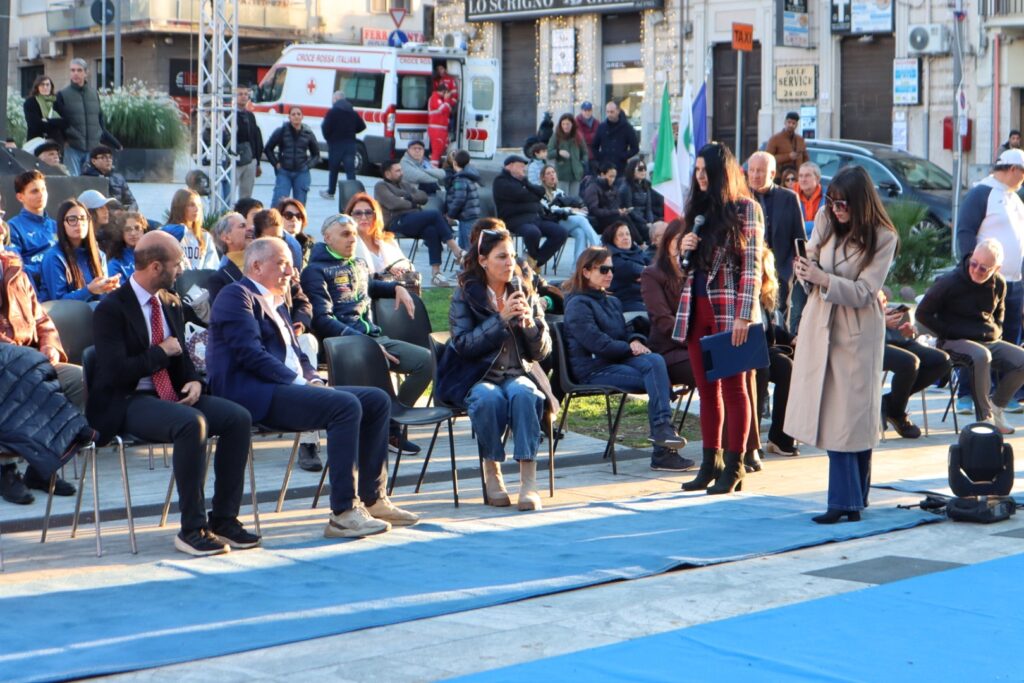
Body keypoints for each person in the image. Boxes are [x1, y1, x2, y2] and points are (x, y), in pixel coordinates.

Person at [208, 237, 418, 537]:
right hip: (254, 394)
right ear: (255, 265)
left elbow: (297, 355)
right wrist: (303, 384)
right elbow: (250, 355)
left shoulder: (278, 302)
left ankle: (373, 499)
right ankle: (343, 513)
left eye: (291, 264)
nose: (291, 271)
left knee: (376, 400)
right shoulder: (236, 295)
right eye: (281, 263)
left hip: (288, 388)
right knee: (344, 406)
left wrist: (314, 380)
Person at [89, 231, 258, 555]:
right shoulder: (111, 309)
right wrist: (159, 352)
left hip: (171, 395)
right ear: (155, 266)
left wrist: (194, 380)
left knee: (237, 418)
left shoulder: (170, 301)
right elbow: (113, 372)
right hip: (127, 400)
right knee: (191, 423)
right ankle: (192, 529)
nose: (182, 270)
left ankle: (223, 519)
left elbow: (180, 356)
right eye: (177, 264)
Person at [787, 165, 899, 523]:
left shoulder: (883, 237)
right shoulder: (825, 218)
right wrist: (806, 272)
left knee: (850, 420)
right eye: (832, 202)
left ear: (861, 203)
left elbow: (867, 291)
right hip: (821, 324)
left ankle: (844, 501)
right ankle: (853, 501)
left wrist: (822, 278)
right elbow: (813, 256)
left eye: (843, 204)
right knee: (840, 419)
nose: (836, 209)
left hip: (857, 331)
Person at [436, 226, 554, 510]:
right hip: (477, 377)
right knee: (488, 398)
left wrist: (530, 327)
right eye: (501, 256)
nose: (509, 262)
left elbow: (542, 351)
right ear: (483, 260)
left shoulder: (524, 289)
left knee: (525, 393)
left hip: (516, 373)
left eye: (512, 256)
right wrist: (500, 319)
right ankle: (493, 472)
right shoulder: (465, 295)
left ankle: (529, 481)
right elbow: (463, 345)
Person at [675, 142, 763, 496]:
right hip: (695, 310)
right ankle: (710, 464)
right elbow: (687, 268)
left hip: (729, 312)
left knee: (734, 389)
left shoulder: (746, 208)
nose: (699, 177)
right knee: (706, 393)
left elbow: (751, 267)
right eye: (695, 171)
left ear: (720, 172)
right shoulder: (698, 210)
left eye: (704, 171)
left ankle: (736, 463)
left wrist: (745, 315)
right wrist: (684, 250)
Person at [301, 213, 431, 454]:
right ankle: (379, 429)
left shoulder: (359, 264)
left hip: (372, 337)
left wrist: (396, 288)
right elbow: (322, 319)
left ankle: (391, 425)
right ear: (327, 238)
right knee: (376, 368)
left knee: (426, 361)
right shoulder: (315, 271)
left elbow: (369, 286)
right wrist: (364, 344)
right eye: (345, 234)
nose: (352, 239)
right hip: (343, 344)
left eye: (354, 234)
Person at [564, 246, 687, 456]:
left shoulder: (612, 301)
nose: (610, 274)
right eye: (603, 269)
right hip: (593, 369)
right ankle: (662, 448)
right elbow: (597, 344)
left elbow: (625, 332)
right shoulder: (577, 304)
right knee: (657, 379)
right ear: (585, 272)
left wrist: (636, 340)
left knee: (655, 360)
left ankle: (662, 432)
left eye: (611, 269)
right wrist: (630, 347)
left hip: (616, 360)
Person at [0, 215, 81, 504]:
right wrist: (23, 357)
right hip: (9, 361)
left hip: (30, 360)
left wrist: (49, 346)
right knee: (16, 380)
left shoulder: (15, 270)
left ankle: (42, 465)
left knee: (81, 381)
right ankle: (5, 469)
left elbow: (40, 319)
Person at [916, 240, 1024, 435]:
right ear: (971, 255)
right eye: (974, 263)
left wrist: (996, 330)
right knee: (981, 355)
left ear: (996, 268)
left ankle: (997, 407)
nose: (976, 270)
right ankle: (985, 417)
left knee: (1021, 360)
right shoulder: (950, 282)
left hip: (987, 340)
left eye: (984, 268)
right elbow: (922, 314)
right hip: (953, 341)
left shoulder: (998, 283)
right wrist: (948, 331)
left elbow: (1000, 312)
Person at [954, 148, 1024, 415]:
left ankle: (1003, 395)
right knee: (978, 337)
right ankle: (966, 393)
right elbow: (965, 233)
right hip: (985, 281)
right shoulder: (982, 193)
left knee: (1008, 341)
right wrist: (971, 272)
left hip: (1014, 282)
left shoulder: (1015, 200)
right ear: (1013, 169)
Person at [637, 219, 698, 471]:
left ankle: (739, 446)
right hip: (667, 352)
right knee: (710, 369)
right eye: (678, 240)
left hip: (693, 348)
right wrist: (694, 341)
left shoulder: (695, 273)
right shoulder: (652, 274)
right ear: (668, 243)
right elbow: (663, 320)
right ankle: (662, 453)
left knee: (735, 368)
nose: (683, 246)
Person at [374, 160, 462, 286]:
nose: (401, 173)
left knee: (431, 230)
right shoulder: (381, 186)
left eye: (401, 170)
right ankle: (456, 250)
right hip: (396, 221)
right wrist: (412, 201)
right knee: (435, 214)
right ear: (387, 174)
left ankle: (436, 274)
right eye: (398, 171)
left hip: (413, 218)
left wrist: (407, 197)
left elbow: (423, 197)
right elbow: (394, 203)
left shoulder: (404, 185)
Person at [879, 291, 951, 439]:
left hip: (898, 342)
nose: (886, 305)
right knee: (909, 362)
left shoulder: (876, 283)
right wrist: (880, 320)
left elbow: (903, 335)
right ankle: (897, 412)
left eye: (886, 301)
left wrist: (907, 332)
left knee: (942, 360)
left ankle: (890, 403)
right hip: (871, 344)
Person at [747, 151, 805, 329]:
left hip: (781, 276)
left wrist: (793, 271)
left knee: (779, 326)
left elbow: (799, 239)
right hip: (749, 275)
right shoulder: (741, 198)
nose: (755, 175)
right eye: (752, 170)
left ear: (772, 174)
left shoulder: (788, 198)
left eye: (760, 171)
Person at [753, 249, 798, 458]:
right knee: (761, 370)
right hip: (743, 348)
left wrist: (790, 338)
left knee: (789, 367)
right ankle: (749, 441)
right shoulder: (743, 291)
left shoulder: (764, 295)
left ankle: (780, 437)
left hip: (765, 347)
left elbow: (769, 328)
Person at [493, 154, 568, 270]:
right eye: (520, 166)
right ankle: (532, 262)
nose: (524, 169)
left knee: (560, 232)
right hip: (515, 220)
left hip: (535, 218)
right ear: (510, 166)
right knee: (533, 232)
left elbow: (540, 191)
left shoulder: (522, 181)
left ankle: (535, 262)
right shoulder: (501, 181)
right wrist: (532, 195)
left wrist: (526, 184)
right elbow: (522, 195)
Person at [40, 199, 119, 302]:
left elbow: (101, 300)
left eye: (83, 218)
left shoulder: (99, 255)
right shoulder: (54, 257)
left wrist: (108, 288)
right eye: (72, 219)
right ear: (62, 224)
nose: (79, 223)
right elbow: (59, 302)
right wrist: (89, 290)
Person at [54, 59, 121, 176]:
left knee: (90, 182)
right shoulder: (62, 95)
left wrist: (112, 142)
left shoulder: (94, 94)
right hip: (72, 147)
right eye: (72, 70)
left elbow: (99, 122)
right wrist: (64, 141)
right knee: (73, 183)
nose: (75, 73)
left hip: (92, 148)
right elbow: (58, 122)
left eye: (79, 70)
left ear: (86, 73)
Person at [539, 165, 599, 265]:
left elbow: (568, 204)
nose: (552, 175)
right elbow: (550, 209)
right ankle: (597, 245)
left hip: (564, 220)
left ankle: (576, 268)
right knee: (581, 220)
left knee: (580, 233)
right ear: (543, 178)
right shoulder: (540, 192)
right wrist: (571, 209)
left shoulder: (560, 192)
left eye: (553, 172)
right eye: (548, 173)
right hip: (552, 222)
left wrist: (579, 208)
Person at [345, 193, 415, 278]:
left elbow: (406, 264)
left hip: (398, 288)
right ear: (350, 216)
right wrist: (388, 270)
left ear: (375, 216)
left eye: (368, 212)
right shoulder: (348, 245)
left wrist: (399, 267)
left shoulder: (388, 241)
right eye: (358, 213)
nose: (363, 217)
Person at [7, 170, 58, 285]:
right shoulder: (13, 227)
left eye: (43, 189)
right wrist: (50, 270)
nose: (41, 195)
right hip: (36, 292)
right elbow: (16, 266)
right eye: (34, 191)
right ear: (20, 197)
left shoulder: (57, 226)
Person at [264, 106, 320, 206]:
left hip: (302, 173)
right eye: (293, 114)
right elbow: (268, 149)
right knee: (279, 202)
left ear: (302, 117)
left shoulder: (308, 133)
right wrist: (275, 163)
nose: (296, 116)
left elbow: (316, 155)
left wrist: (308, 166)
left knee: (299, 205)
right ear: (289, 117)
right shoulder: (281, 131)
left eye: (298, 114)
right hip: (284, 172)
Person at [320, 91, 365, 200]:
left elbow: (325, 127)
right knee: (350, 170)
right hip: (350, 144)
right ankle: (354, 194)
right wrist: (351, 132)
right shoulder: (352, 112)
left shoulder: (332, 112)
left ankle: (331, 192)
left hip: (336, 144)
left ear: (336, 99)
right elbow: (362, 126)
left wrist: (329, 138)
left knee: (334, 169)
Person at [162, 189, 219, 270]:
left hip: (199, 280)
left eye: (199, 205)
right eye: (191, 205)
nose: (197, 209)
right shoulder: (167, 233)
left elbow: (213, 266)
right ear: (180, 207)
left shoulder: (205, 236)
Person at [601, 221, 650, 312]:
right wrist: (648, 273)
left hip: (646, 297)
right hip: (625, 301)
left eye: (628, 234)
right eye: (621, 235)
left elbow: (657, 269)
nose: (626, 237)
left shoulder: (639, 253)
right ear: (612, 239)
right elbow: (630, 268)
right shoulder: (610, 257)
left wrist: (646, 275)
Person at [446, 149, 482, 251]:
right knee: (465, 244)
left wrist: (450, 214)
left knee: (467, 245)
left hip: (466, 215)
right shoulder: (469, 175)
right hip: (470, 214)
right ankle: (464, 266)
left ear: (455, 163)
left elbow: (459, 199)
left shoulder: (460, 179)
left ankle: (468, 266)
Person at [591, 100, 638, 177]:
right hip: (605, 168)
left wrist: (623, 156)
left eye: (612, 112)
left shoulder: (627, 127)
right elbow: (594, 146)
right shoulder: (602, 127)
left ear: (618, 111)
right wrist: (601, 158)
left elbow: (635, 148)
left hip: (620, 168)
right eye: (607, 112)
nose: (609, 114)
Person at [82, 145, 137, 210]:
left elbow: (132, 202)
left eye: (110, 157)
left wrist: (128, 213)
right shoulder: (85, 179)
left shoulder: (118, 178)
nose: (108, 160)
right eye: (103, 157)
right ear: (94, 161)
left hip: (119, 215)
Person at [234, 87, 264, 201]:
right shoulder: (229, 114)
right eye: (240, 94)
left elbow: (256, 138)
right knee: (230, 191)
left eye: (246, 94)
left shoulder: (251, 116)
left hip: (250, 159)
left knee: (246, 194)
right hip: (235, 160)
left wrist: (257, 162)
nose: (243, 96)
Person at [547, 113, 587, 197]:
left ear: (572, 124)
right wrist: (558, 152)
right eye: (563, 124)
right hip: (562, 173)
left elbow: (585, 152)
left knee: (574, 200)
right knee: (563, 199)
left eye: (568, 124)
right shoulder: (556, 136)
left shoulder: (578, 136)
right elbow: (549, 153)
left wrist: (582, 163)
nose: (565, 126)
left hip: (576, 173)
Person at [583, 162, 629, 235]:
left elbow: (616, 204)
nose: (612, 179)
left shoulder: (612, 188)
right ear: (602, 175)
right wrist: (616, 211)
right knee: (622, 221)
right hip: (598, 221)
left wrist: (621, 211)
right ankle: (640, 243)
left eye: (614, 177)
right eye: (610, 176)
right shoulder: (593, 188)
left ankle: (639, 242)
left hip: (610, 217)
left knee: (627, 217)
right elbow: (595, 211)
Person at [23, 74, 67, 146]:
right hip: (36, 141)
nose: (45, 87)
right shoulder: (30, 102)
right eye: (42, 85)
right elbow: (35, 125)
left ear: (51, 87)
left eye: (47, 84)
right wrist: (56, 123)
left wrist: (48, 120)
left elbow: (65, 122)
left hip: (56, 142)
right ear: (37, 87)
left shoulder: (57, 101)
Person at [619, 157, 654, 245]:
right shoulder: (626, 187)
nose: (643, 172)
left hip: (645, 218)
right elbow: (630, 210)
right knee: (650, 231)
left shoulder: (646, 185)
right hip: (634, 220)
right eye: (640, 169)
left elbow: (648, 208)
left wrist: (650, 222)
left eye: (644, 169)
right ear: (632, 170)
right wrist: (646, 223)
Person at [105, 210, 147, 281]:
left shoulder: (154, 257)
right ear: (122, 234)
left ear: (144, 230)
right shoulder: (115, 264)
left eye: (137, 228)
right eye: (127, 229)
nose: (133, 233)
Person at [764, 111, 808, 176]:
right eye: (789, 122)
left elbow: (806, 159)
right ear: (785, 122)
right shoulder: (775, 138)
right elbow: (767, 158)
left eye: (793, 123)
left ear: (796, 125)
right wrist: (788, 156)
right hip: (780, 177)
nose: (791, 125)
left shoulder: (800, 139)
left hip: (797, 177)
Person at [77, 188, 120, 253]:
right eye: (100, 208)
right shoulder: (81, 241)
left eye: (106, 207)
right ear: (89, 212)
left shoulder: (106, 237)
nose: (106, 211)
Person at [277, 198, 314, 270]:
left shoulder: (309, 244)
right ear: (279, 218)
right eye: (288, 215)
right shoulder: (272, 243)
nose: (294, 219)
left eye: (298, 216)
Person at [427, 82, 453, 165]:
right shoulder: (435, 98)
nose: (448, 95)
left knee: (441, 149)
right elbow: (443, 109)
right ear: (444, 91)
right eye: (447, 93)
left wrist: (446, 100)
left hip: (442, 129)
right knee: (437, 150)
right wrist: (446, 99)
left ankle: (434, 166)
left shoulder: (441, 100)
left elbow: (448, 110)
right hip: (436, 129)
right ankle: (434, 170)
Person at [575, 101, 599, 172]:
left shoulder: (596, 122)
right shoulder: (576, 121)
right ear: (581, 111)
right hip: (582, 155)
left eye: (589, 110)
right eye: (585, 110)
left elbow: (598, 137)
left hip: (594, 155)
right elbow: (580, 138)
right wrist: (592, 136)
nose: (587, 112)